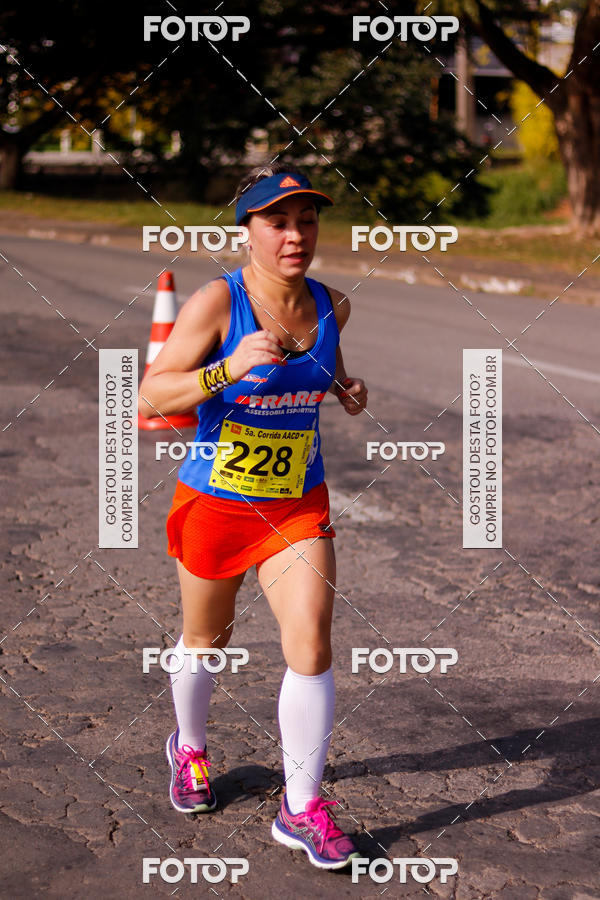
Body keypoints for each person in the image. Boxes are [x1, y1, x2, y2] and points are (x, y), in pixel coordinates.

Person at [138, 163, 368, 870]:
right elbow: (153, 393)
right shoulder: (218, 300)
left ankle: (300, 808)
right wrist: (225, 369)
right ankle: (192, 749)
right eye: (278, 222)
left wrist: (344, 386)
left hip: (297, 504)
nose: (296, 235)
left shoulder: (333, 304)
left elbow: (319, 369)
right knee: (206, 638)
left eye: (307, 220)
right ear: (248, 231)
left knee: (313, 643)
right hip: (215, 502)